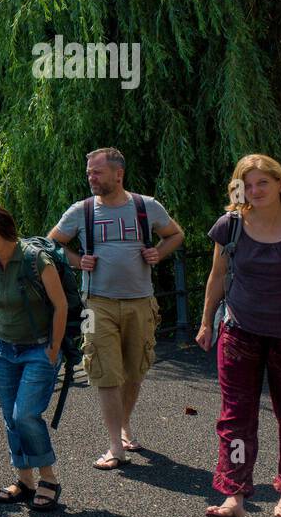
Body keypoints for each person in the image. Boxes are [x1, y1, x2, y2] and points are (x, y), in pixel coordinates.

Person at [49, 148, 184, 469]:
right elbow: (51, 243)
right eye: (89, 173)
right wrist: (76, 260)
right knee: (105, 372)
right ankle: (115, 446)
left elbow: (176, 234)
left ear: (118, 174)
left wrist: (159, 253)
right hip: (97, 304)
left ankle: (124, 427)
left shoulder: (145, 206)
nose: (90, 178)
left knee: (135, 370)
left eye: (96, 172)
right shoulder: (81, 210)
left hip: (141, 301)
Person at [195, 154, 281, 517]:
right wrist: (206, 322)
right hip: (239, 331)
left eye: (262, 182)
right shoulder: (231, 225)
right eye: (247, 184)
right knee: (236, 417)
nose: (254, 190)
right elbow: (217, 276)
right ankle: (234, 495)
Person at [0, 202, 67, 510]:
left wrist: (53, 349)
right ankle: (24, 480)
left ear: (4, 229)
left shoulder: (36, 260)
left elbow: (60, 306)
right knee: (10, 417)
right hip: (3, 350)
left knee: (25, 414)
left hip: (39, 348)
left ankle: (48, 478)